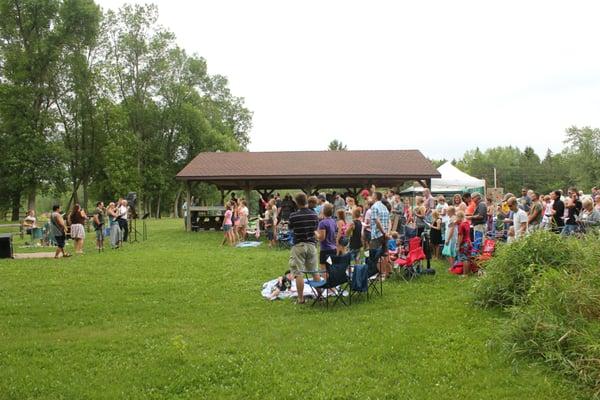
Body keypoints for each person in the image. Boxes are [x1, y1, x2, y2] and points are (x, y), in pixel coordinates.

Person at [288, 192, 320, 304]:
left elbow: (291, 229)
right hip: (311, 245)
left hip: (298, 245)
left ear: (296, 203)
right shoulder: (314, 215)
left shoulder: (293, 216)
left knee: (298, 273)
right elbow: (315, 229)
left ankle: (301, 299)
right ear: (306, 201)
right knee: (314, 271)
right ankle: (319, 295)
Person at [316, 204, 337, 270]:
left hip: (325, 249)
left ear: (323, 212)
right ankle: (332, 280)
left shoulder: (322, 223)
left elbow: (322, 238)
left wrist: (315, 232)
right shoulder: (333, 221)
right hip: (333, 248)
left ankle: (326, 280)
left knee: (324, 269)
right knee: (331, 267)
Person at [456, 210, 472, 276]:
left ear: (459, 217)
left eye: (457, 217)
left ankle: (465, 274)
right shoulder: (467, 223)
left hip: (464, 243)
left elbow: (460, 236)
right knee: (467, 258)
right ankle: (467, 273)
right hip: (468, 242)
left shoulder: (461, 225)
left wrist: (458, 245)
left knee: (464, 258)